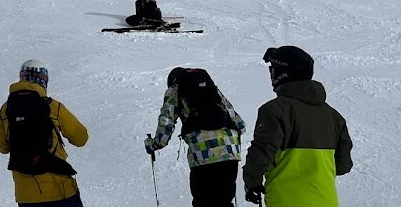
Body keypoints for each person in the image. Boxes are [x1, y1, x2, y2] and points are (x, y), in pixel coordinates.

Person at [242, 46, 352, 206]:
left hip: (287, 200)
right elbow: (343, 165)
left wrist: (252, 183)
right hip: (327, 201)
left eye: (272, 69)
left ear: (281, 73)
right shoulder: (335, 117)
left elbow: (261, 153)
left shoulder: (275, 111)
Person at [145, 67, 245, 206]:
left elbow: (166, 121)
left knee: (203, 202)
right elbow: (239, 124)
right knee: (224, 201)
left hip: (204, 153)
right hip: (230, 151)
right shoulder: (211, 89)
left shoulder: (175, 89)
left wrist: (155, 144)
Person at [0, 59, 89, 206]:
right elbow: (81, 138)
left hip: (26, 196)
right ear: (44, 80)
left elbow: (2, 147)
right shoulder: (53, 107)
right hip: (60, 191)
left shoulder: (6, 110)